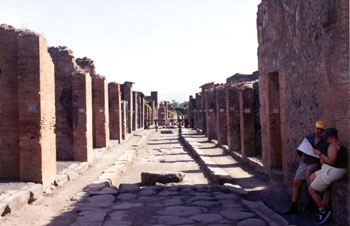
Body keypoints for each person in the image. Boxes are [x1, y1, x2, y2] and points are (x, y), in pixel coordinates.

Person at [284, 120, 329, 215]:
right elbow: (300, 150)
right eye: (318, 129)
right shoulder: (308, 137)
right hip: (305, 162)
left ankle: (311, 200)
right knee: (296, 182)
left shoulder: (326, 142)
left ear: (324, 131)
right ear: (315, 128)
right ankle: (294, 205)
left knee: (309, 172)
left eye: (321, 129)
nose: (319, 131)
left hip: (315, 163)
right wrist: (300, 151)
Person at [308, 127, 348, 224]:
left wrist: (320, 154)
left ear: (332, 137)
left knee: (311, 190)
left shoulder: (333, 146)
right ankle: (324, 194)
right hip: (331, 168)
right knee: (311, 177)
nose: (325, 140)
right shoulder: (336, 144)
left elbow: (331, 160)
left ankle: (323, 211)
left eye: (327, 138)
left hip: (334, 171)